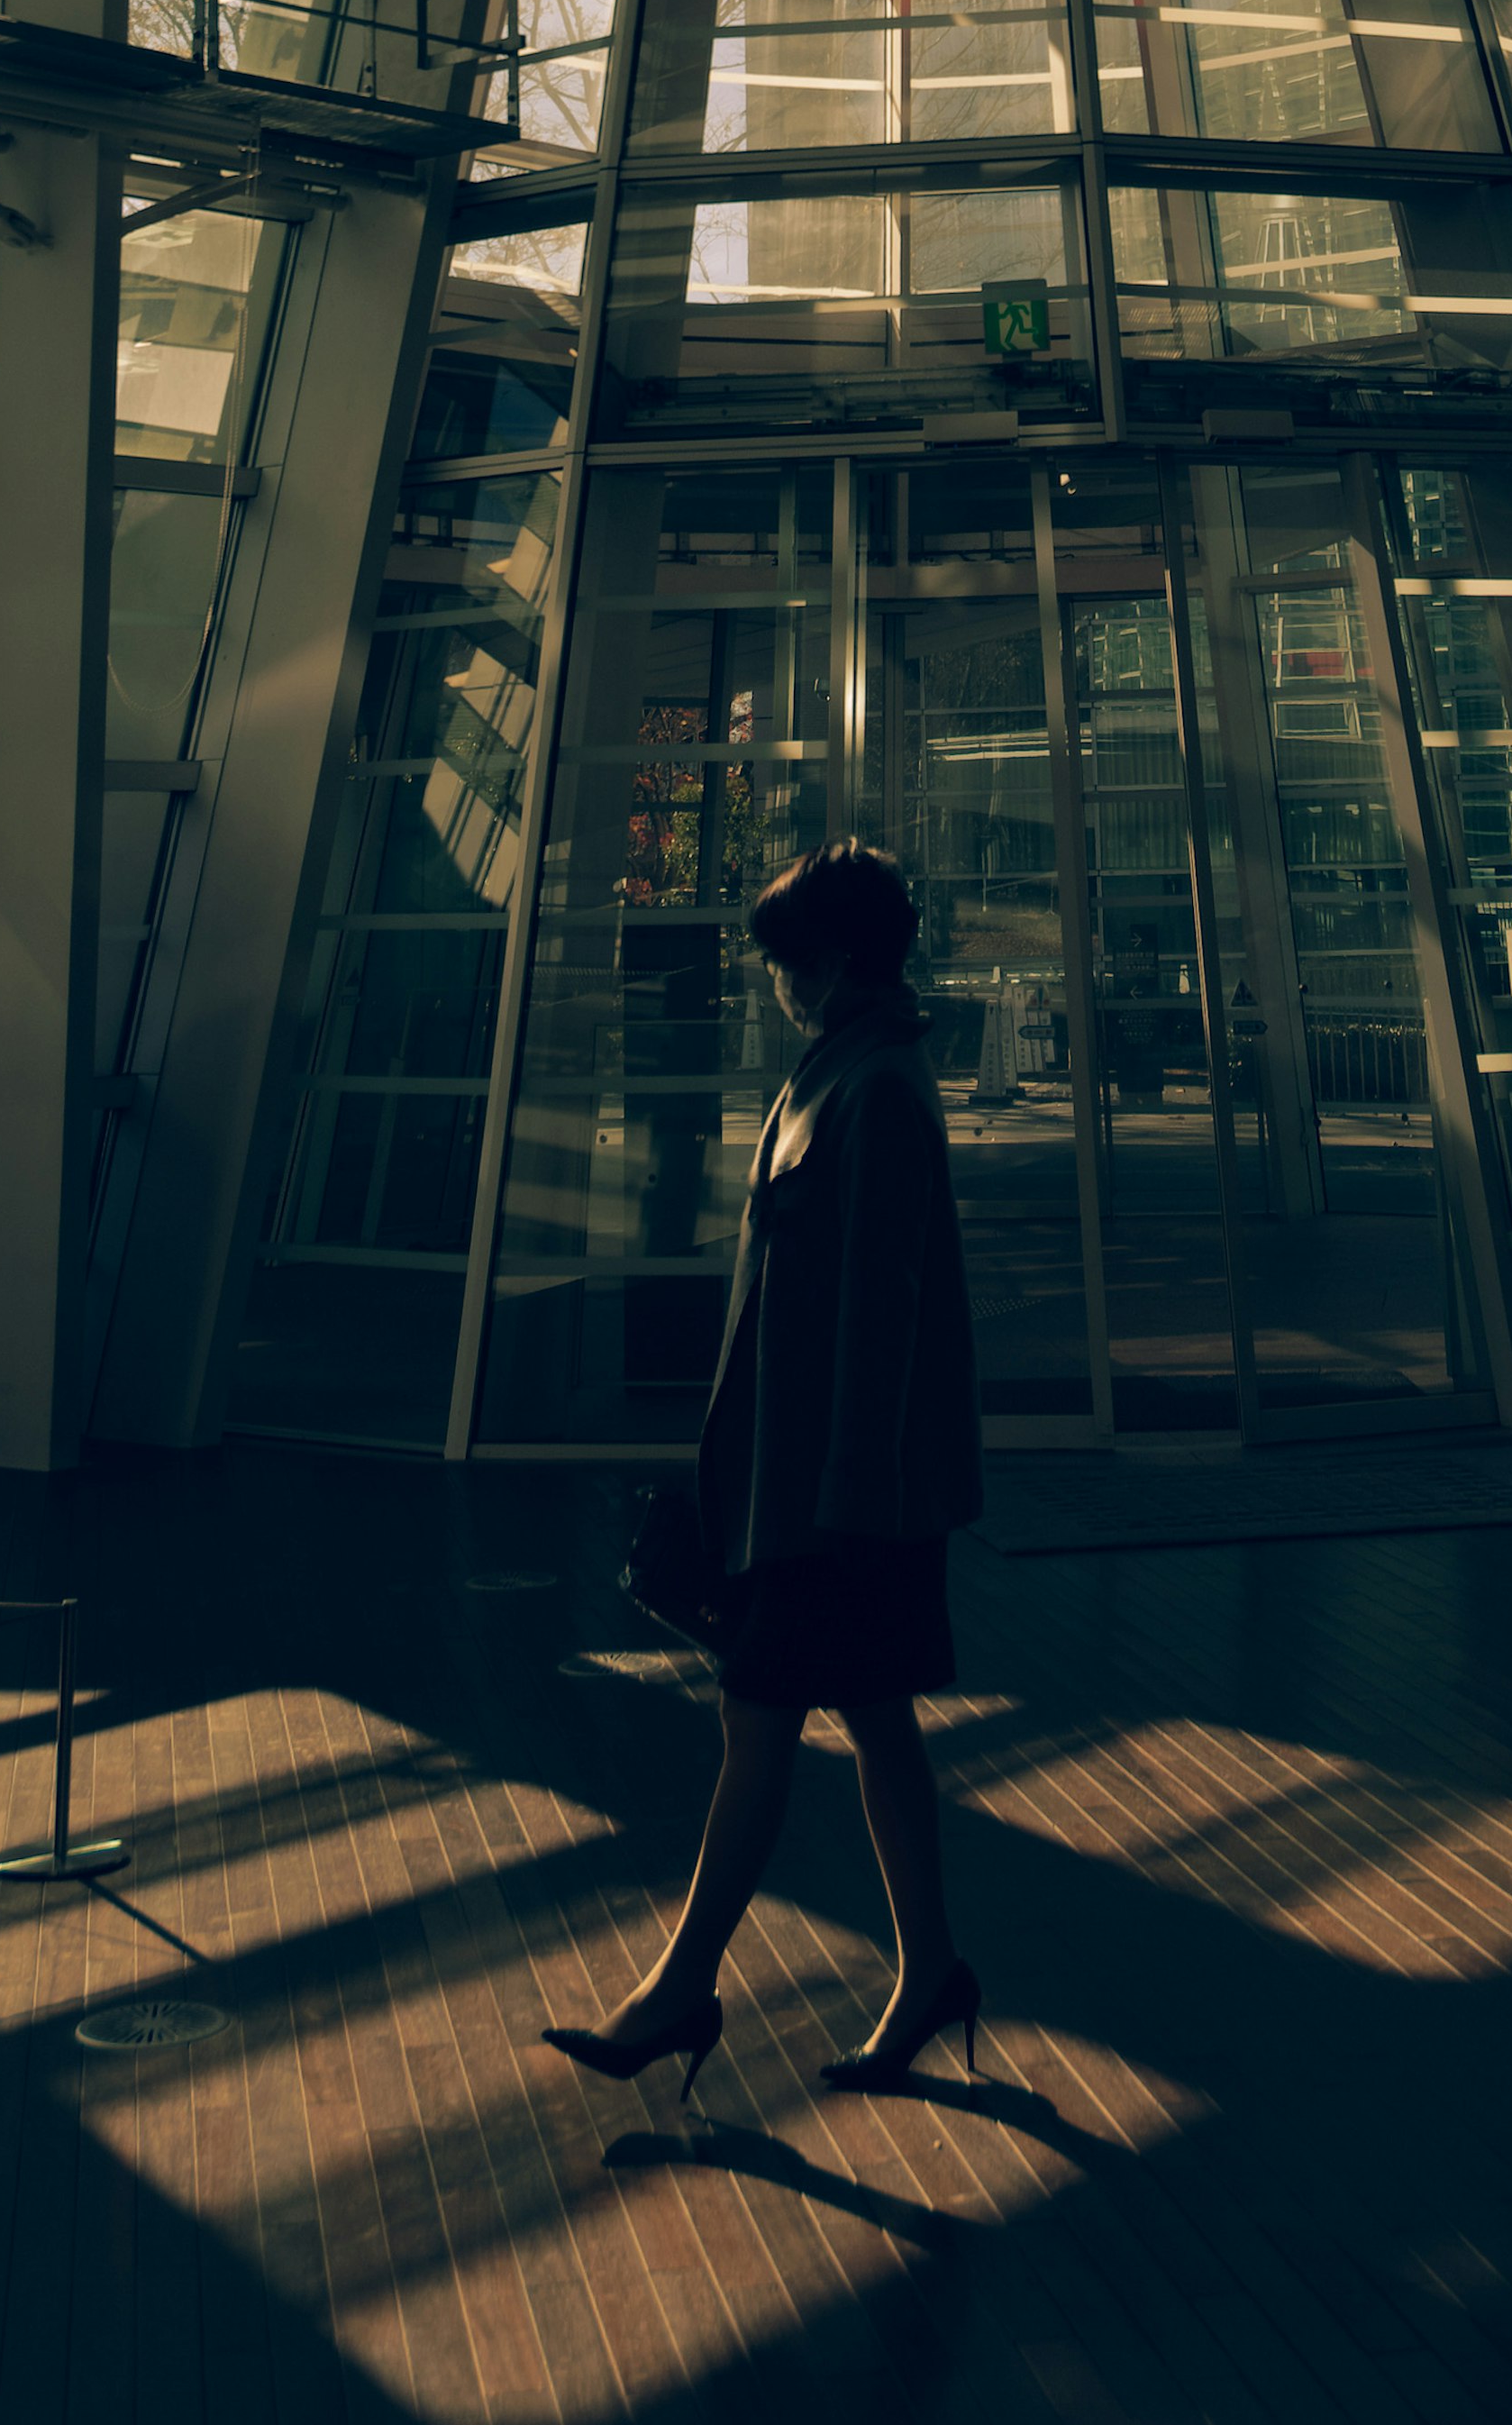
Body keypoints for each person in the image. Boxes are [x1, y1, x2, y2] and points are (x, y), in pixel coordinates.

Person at [542, 836, 986, 2111]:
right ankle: (933, 1970)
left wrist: (842, 1491)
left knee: (761, 1718)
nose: (775, 979)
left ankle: (683, 1987)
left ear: (837, 956)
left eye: (787, 956)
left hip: (840, 1495)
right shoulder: (845, 1071)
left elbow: (883, 1312)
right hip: (822, 1485)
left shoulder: (876, 1088)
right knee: (876, 1716)